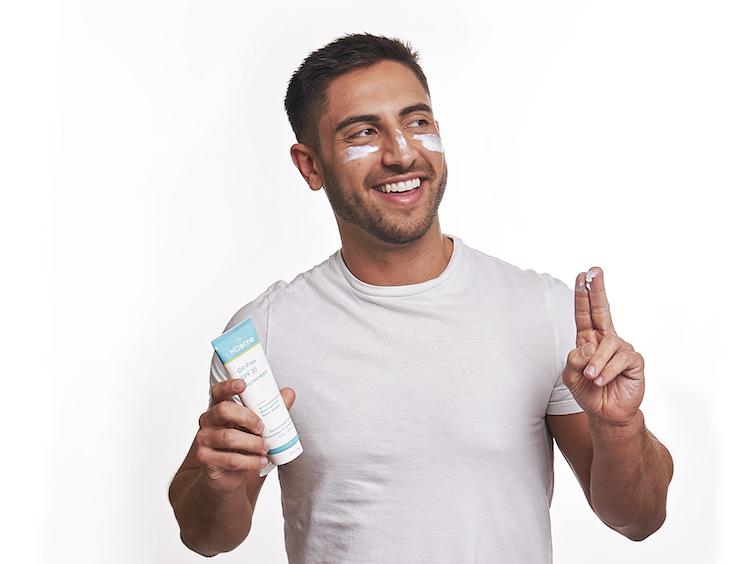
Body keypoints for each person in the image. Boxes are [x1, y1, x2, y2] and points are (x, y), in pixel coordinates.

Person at [168, 34, 673, 562]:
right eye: (363, 131)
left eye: (417, 122)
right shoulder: (267, 332)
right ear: (310, 166)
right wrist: (219, 484)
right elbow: (206, 537)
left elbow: (639, 519)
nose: (402, 152)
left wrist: (620, 426)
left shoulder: (541, 311)